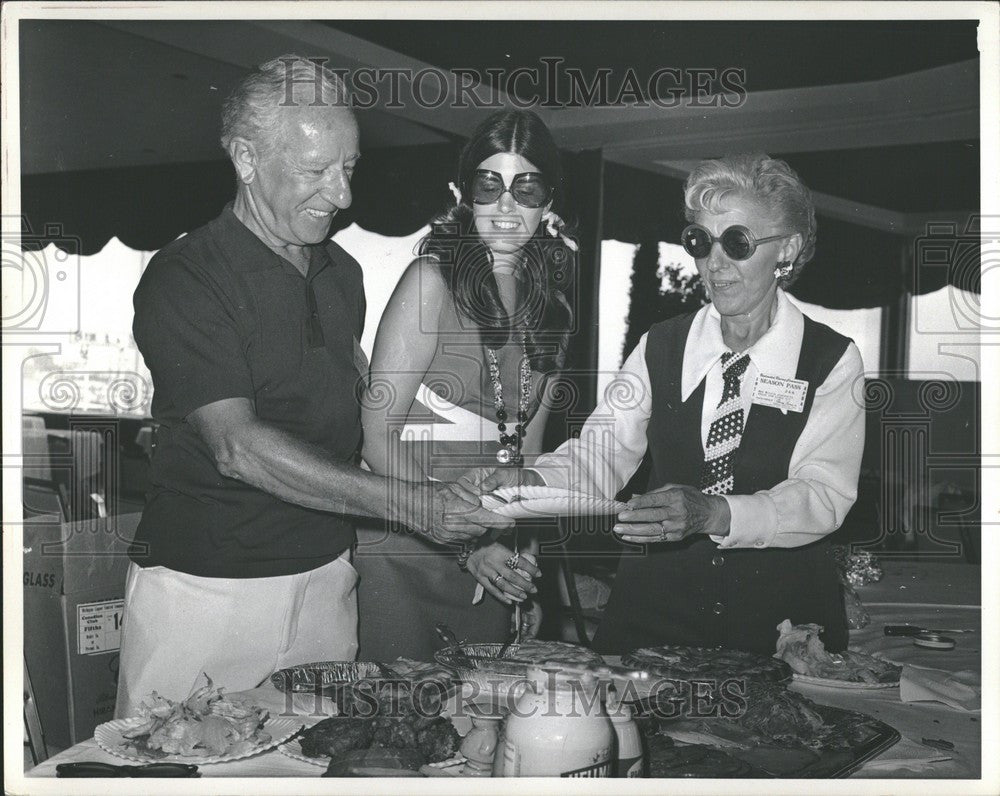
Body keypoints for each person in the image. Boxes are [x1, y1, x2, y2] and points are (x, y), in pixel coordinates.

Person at [117, 56, 510, 717]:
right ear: (246, 158)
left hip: (327, 579)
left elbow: (357, 408)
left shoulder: (342, 273)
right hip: (205, 591)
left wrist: (459, 498)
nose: (343, 195)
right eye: (315, 171)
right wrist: (416, 505)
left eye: (348, 168)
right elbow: (237, 448)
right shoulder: (187, 276)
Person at [467, 153, 865, 656]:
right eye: (700, 241)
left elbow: (824, 494)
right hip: (655, 614)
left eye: (737, 243)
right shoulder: (661, 346)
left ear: (786, 249)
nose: (713, 263)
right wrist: (535, 481)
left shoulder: (831, 360)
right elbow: (601, 453)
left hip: (780, 623)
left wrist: (716, 514)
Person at [355, 110, 576, 661]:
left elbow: (528, 456)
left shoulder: (552, 312)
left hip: (491, 561)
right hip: (404, 548)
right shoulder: (431, 282)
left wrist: (526, 572)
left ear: (548, 201)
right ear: (463, 194)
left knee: (479, 733)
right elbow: (376, 436)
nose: (506, 207)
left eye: (526, 188)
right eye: (489, 185)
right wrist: (470, 544)